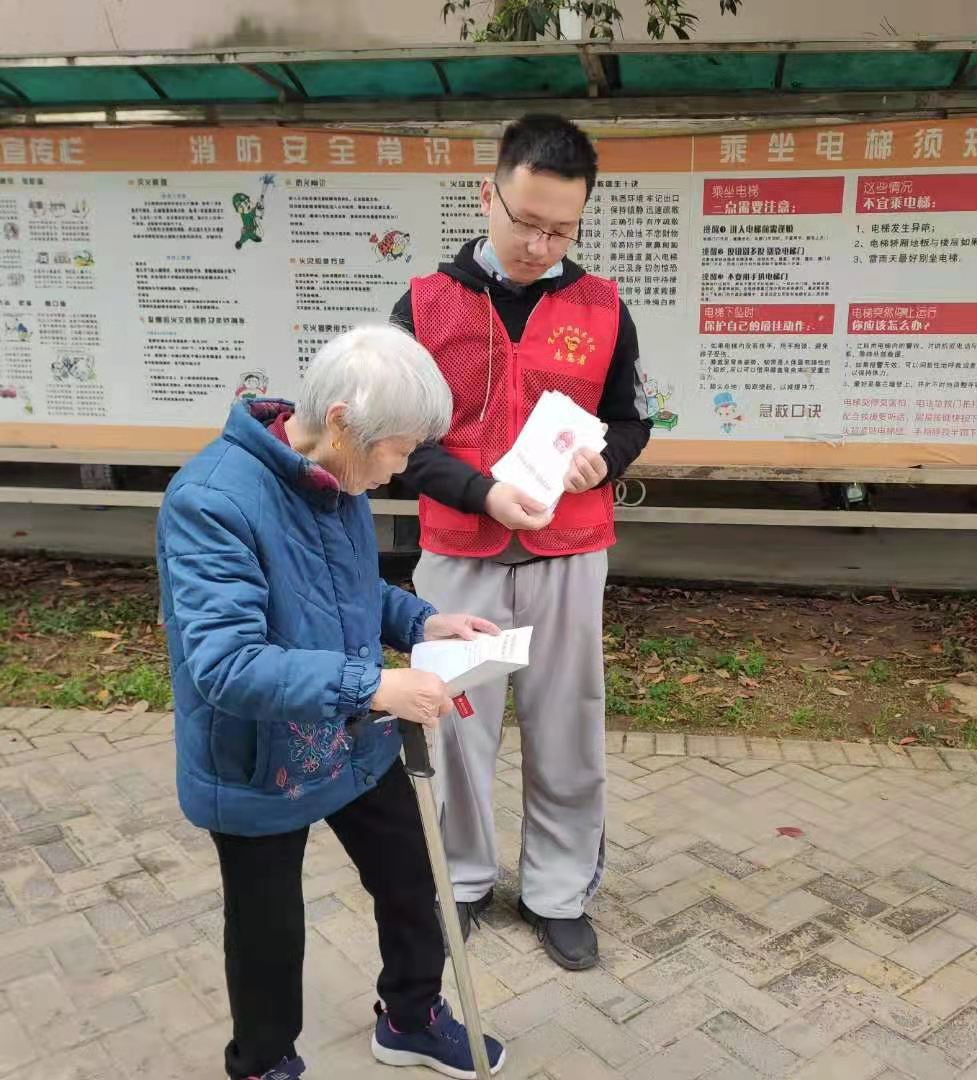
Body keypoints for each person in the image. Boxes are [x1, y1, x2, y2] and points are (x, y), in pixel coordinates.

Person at [156, 324, 506, 1080]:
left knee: (411, 879)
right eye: (398, 451)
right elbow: (225, 663)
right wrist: (376, 684)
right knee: (268, 927)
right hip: (258, 758)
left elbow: (347, 586)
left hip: (354, 734)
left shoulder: (337, 476)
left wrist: (421, 622)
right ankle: (263, 1062)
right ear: (342, 423)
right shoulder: (211, 501)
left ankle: (411, 1017)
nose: (403, 469)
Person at [392, 114, 652, 971]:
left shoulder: (602, 306)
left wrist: (605, 459)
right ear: (488, 195)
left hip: (569, 550)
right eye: (527, 222)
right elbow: (399, 442)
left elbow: (631, 419)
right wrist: (483, 493)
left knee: (567, 722)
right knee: (455, 722)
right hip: (459, 551)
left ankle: (557, 891)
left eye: (561, 230)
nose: (541, 246)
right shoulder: (424, 305)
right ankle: (462, 880)